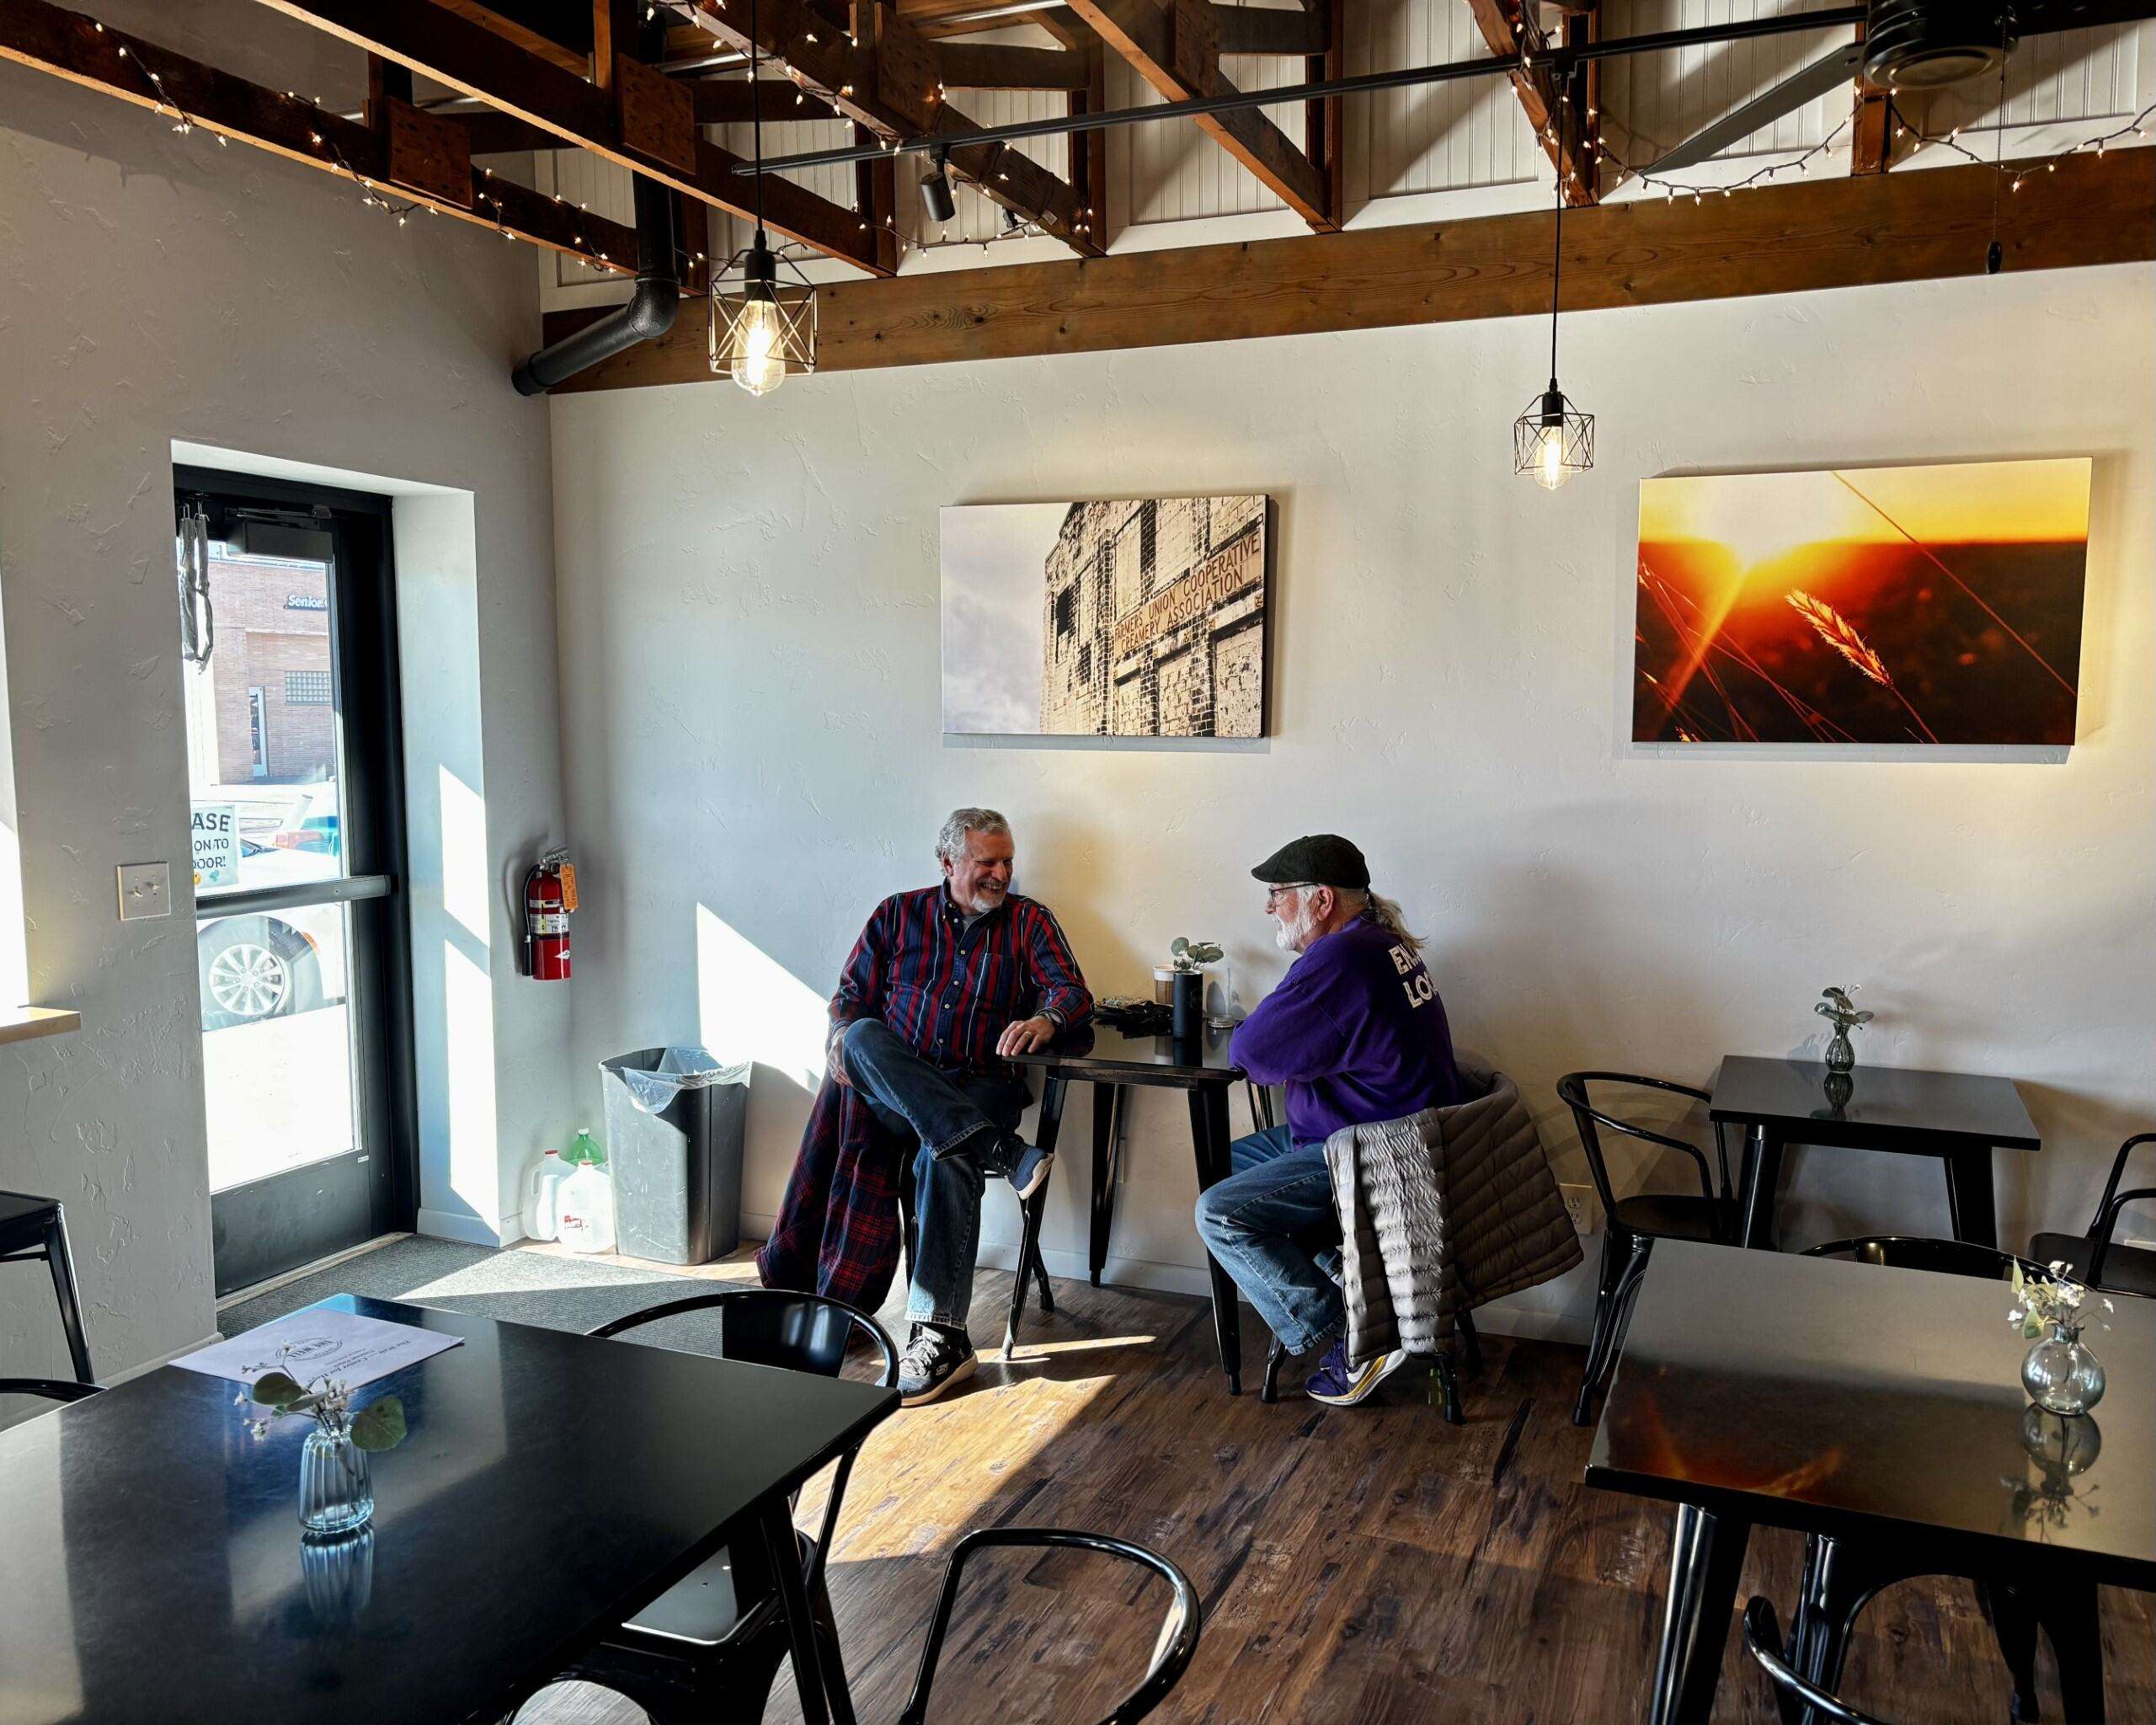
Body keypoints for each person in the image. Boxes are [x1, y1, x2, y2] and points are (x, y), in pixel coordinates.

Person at [757, 808, 1091, 1406]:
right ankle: (1001, 1149)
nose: (1001, 873)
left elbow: (1072, 991)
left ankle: (941, 1338)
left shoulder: (1028, 921)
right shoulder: (897, 915)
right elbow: (850, 1001)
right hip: (895, 1091)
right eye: (986, 862)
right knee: (859, 1039)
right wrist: (842, 1037)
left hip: (983, 1083)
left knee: (944, 1153)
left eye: (1007, 861)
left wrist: (1046, 1017)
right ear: (948, 863)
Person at [1194, 835, 1462, 1407]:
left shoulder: (1341, 959)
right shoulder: (1376, 944)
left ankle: (1353, 1335)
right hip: (1379, 1133)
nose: (1269, 907)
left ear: (1320, 901)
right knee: (1220, 1165)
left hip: (1373, 1150)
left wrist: (1270, 1034)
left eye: (1278, 895)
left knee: (1220, 1214)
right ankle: (1359, 1286)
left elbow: (1256, 1053)